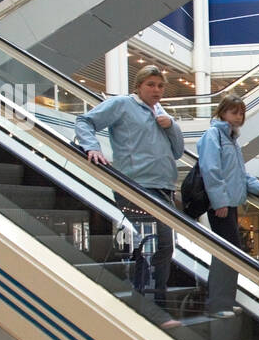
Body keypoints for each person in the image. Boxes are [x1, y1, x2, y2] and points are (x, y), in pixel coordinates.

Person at [75, 64, 185, 326]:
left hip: (163, 190)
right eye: (151, 84)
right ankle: (149, 308)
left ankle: (153, 305)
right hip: (135, 187)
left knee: (164, 247)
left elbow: (178, 151)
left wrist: (171, 126)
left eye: (160, 86)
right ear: (139, 86)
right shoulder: (123, 104)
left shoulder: (161, 112)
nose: (157, 90)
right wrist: (92, 147)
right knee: (155, 245)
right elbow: (85, 121)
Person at [196, 95, 259, 317]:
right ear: (222, 113)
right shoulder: (213, 136)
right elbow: (211, 170)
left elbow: (240, 174)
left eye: (241, 112)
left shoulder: (231, 140)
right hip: (220, 205)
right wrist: (219, 201)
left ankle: (224, 302)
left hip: (229, 204)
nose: (238, 116)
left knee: (231, 252)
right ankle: (217, 304)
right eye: (233, 112)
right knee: (227, 253)